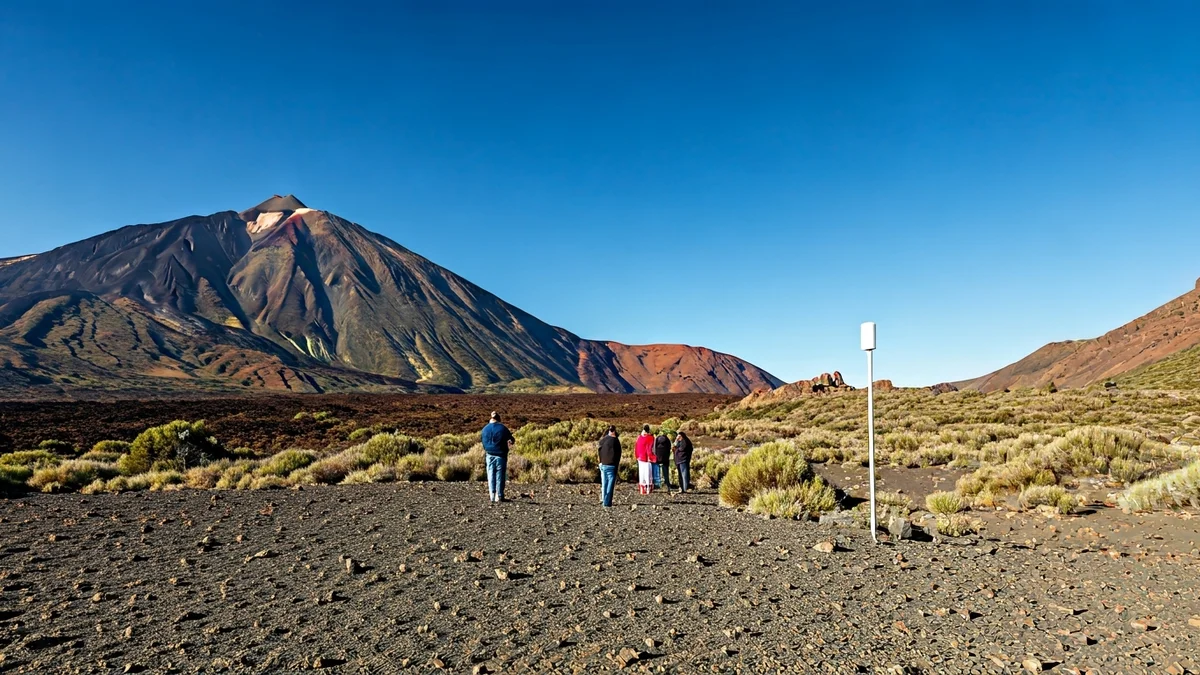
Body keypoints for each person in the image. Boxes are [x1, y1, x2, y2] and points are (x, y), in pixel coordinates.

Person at [481, 411, 515, 503]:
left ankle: (492, 495)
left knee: (491, 474)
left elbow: (483, 441)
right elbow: (511, 439)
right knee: (500, 475)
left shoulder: (485, 429)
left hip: (489, 454)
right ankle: (499, 495)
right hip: (501, 454)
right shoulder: (503, 428)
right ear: (498, 418)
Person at [597, 425, 621, 507]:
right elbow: (618, 454)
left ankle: (604, 500)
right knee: (610, 484)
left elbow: (599, 449)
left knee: (604, 483)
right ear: (614, 431)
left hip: (603, 464)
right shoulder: (616, 441)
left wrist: (600, 461)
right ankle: (607, 502)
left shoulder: (603, 440)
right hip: (611, 465)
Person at [635, 424, 655, 495]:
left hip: (640, 458)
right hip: (647, 458)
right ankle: (648, 488)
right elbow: (650, 448)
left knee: (642, 473)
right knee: (648, 473)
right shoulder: (650, 438)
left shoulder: (639, 437)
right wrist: (652, 457)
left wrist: (637, 456)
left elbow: (636, 447)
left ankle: (642, 489)